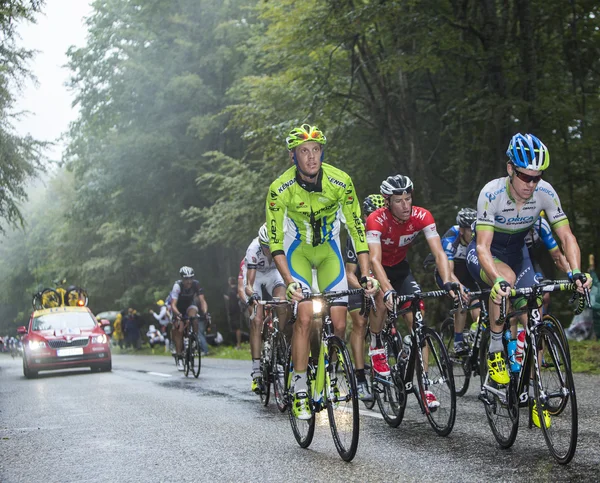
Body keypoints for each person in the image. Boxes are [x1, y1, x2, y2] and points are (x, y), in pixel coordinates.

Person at [466, 132, 591, 428]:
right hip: (487, 254)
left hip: (518, 253)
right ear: (511, 169)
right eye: (525, 177)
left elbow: (566, 236)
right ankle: (496, 348)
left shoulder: (545, 192)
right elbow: (482, 246)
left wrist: (575, 271)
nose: (531, 184)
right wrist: (496, 279)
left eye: (537, 177)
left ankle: (538, 394)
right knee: (506, 281)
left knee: (538, 305)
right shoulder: (491, 193)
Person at [266, 123, 378, 420]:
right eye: (304, 151)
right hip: (298, 252)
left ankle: (324, 375)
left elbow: (356, 229)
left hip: (329, 252)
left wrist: (365, 274)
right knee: (304, 315)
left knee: (340, 324)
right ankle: (301, 387)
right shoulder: (280, 189)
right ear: (294, 156)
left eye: (316, 150)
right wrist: (289, 281)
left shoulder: (340, 182)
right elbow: (275, 242)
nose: (312, 157)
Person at [366, 174, 457, 409]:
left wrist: (447, 281)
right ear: (387, 202)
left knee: (418, 323)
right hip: (379, 268)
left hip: (401, 269)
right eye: (399, 201)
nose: (406, 205)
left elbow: (439, 253)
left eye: (408, 198)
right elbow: (374, 260)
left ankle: (425, 387)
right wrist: (386, 290)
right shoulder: (376, 220)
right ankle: (376, 343)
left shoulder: (421, 216)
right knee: (378, 295)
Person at [345, 194, 386, 401]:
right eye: (371, 215)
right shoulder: (356, 233)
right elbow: (349, 272)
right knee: (360, 323)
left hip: (380, 280)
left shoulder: (387, 228)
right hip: (358, 283)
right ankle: (360, 378)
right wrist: (362, 288)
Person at [424, 207, 480, 355]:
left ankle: (478, 334)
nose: (475, 234)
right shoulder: (450, 239)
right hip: (447, 273)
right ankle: (458, 342)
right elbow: (448, 272)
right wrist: (460, 287)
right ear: (462, 230)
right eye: (470, 230)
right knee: (461, 298)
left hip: (468, 272)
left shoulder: (478, 238)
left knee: (479, 305)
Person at [245, 223, 288, 392]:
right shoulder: (253, 249)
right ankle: (256, 372)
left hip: (274, 275)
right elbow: (249, 284)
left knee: (283, 302)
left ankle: (280, 340)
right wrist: (252, 295)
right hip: (256, 277)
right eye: (265, 246)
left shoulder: (283, 245)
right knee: (256, 320)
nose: (269, 250)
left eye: (271, 246)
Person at [524, 211, 571, 314]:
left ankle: (541, 325)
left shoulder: (541, 225)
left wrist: (570, 272)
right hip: (512, 256)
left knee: (545, 296)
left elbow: (557, 254)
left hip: (532, 256)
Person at [170, 266, 209, 370]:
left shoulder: (196, 284)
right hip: (178, 308)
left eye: (191, 278)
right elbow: (173, 304)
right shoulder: (177, 286)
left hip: (189, 306)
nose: (189, 281)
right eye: (186, 279)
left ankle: (194, 339)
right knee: (180, 329)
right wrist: (178, 315)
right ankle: (179, 357)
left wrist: (205, 313)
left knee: (194, 317)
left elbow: (202, 300)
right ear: (182, 279)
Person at [224, 277, 243, 350]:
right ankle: (237, 343)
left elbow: (238, 297)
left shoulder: (234, 289)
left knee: (237, 328)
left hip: (235, 310)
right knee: (235, 328)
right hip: (234, 310)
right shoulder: (235, 289)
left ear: (230, 282)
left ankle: (238, 344)